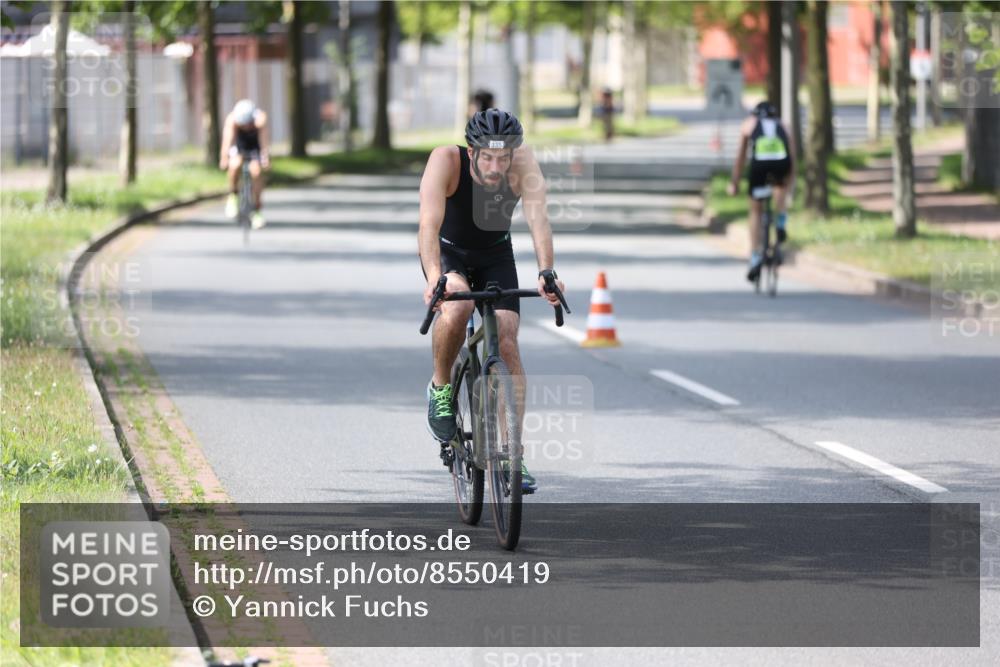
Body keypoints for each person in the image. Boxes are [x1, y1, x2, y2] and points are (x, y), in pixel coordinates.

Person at [418, 109, 565, 493]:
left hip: (496, 253)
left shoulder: (523, 163)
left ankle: (514, 457)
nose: (497, 167)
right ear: (471, 153)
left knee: (508, 335)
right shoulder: (444, 161)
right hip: (449, 253)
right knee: (458, 306)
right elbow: (428, 225)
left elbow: (538, 218)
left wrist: (546, 270)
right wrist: (435, 279)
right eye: (488, 157)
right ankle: (440, 388)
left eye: (505, 158)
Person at [727, 101, 795, 281]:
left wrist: (735, 182)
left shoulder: (749, 124)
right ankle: (780, 221)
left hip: (760, 166)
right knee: (780, 189)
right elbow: (792, 157)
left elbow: (740, 157)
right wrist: (790, 183)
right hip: (781, 164)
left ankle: (755, 254)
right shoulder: (783, 125)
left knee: (755, 211)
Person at [220, 99, 270, 230]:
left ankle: (257, 209)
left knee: (256, 172)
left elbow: (264, 143)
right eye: (243, 125)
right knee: (234, 165)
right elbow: (227, 142)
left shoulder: (260, 120)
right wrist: (224, 158)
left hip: (254, 147)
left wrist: (265, 158)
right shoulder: (232, 120)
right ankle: (233, 196)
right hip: (240, 145)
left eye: (248, 124)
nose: (246, 127)